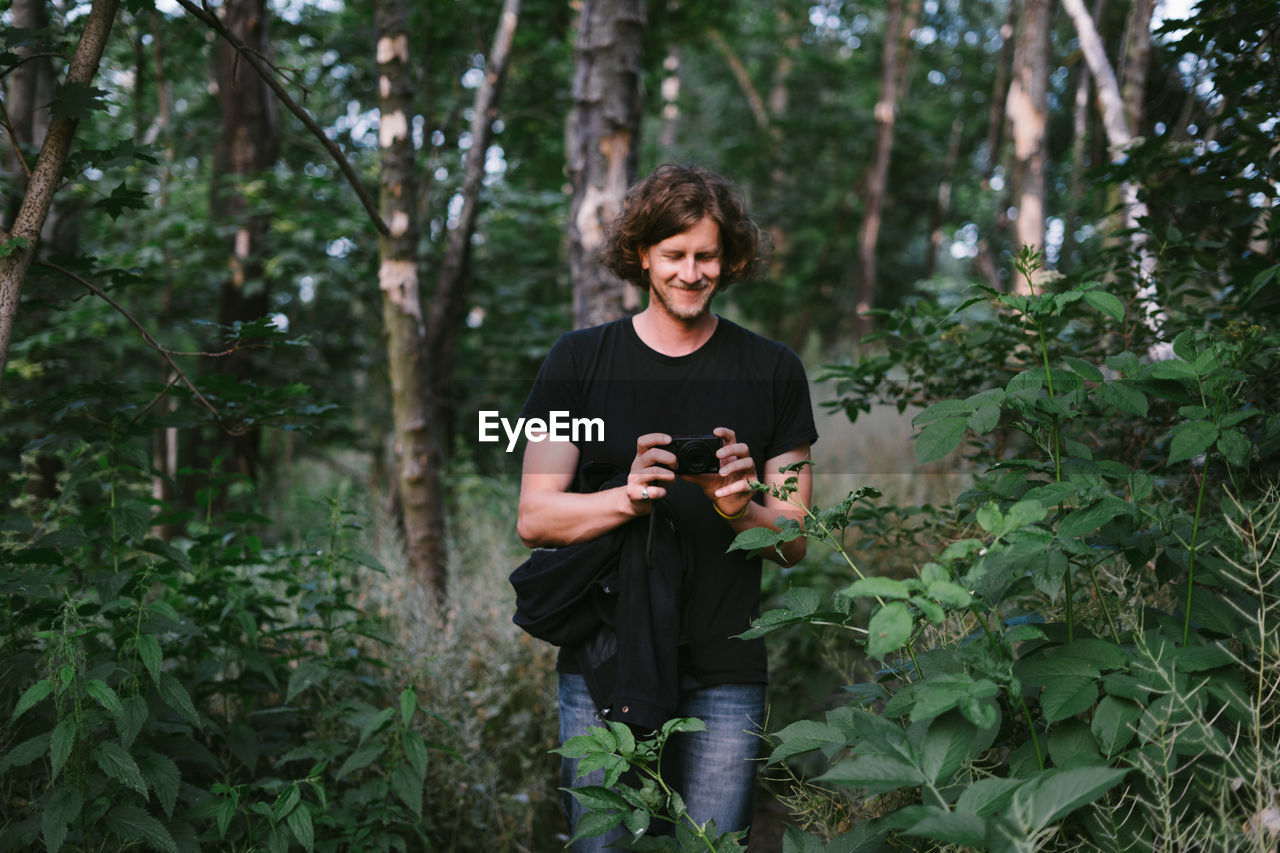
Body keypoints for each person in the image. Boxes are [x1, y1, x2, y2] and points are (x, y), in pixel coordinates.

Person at [515, 164, 817, 849]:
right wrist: (630, 494)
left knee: (712, 844)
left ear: (730, 257)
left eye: (706, 255)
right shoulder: (577, 361)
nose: (691, 271)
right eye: (674, 254)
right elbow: (534, 514)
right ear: (641, 254)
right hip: (602, 659)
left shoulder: (773, 370)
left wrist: (739, 507)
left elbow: (796, 539)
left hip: (725, 664)